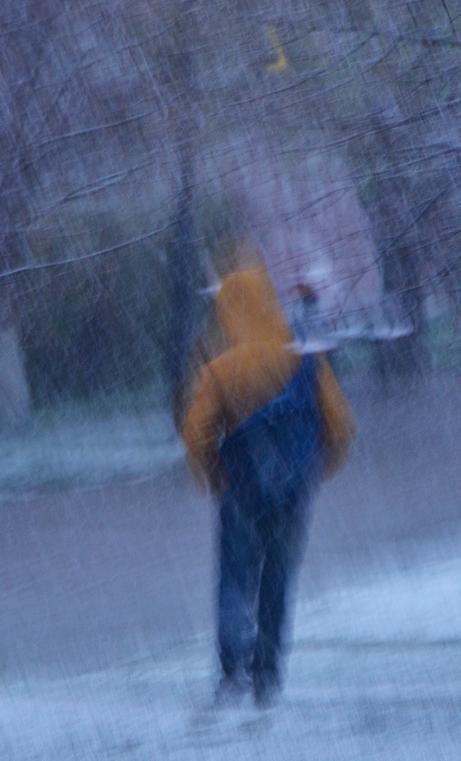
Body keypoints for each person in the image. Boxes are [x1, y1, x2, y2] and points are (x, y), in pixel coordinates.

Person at [181, 253, 354, 707]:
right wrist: (317, 471)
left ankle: (232, 664)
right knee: (278, 581)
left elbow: (196, 433)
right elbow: (340, 426)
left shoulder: (220, 367)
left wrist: (211, 475)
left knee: (236, 578)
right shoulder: (303, 356)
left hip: (239, 490)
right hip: (295, 494)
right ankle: (267, 674)